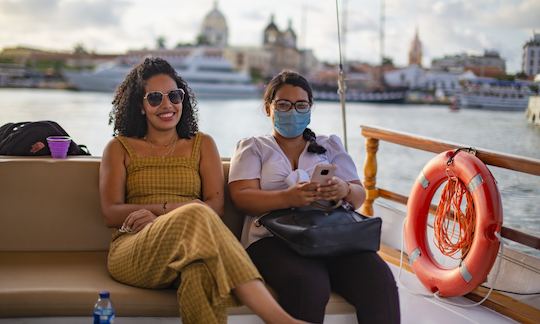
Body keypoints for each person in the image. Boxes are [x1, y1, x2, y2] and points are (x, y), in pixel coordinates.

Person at [99, 57, 303, 324]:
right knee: (196, 212)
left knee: (200, 275)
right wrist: (170, 215)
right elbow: (110, 212)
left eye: (174, 96)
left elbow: (215, 207)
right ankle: (280, 320)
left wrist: (163, 215)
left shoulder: (203, 144)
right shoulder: (119, 148)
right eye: (155, 98)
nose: (167, 105)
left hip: (191, 246)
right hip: (134, 247)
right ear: (140, 105)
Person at [228, 70, 401, 324]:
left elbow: (358, 194)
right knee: (307, 284)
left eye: (301, 105)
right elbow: (241, 197)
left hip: (330, 235)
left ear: (310, 109)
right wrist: (288, 198)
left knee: (379, 280)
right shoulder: (254, 147)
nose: (293, 111)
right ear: (268, 109)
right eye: (284, 104)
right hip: (272, 239)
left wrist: (343, 189)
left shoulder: (328, 145)